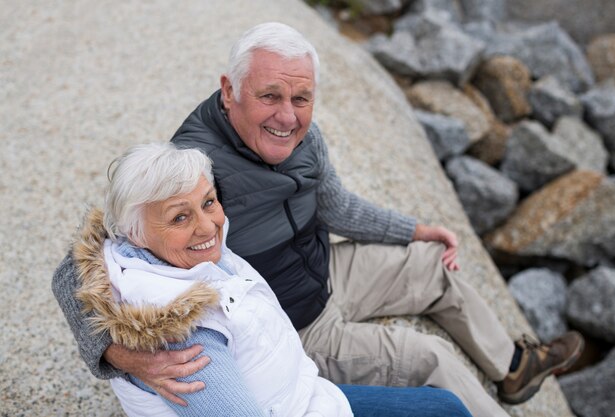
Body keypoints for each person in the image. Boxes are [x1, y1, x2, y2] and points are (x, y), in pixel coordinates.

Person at [52, 22, 583, 416]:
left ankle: (514, 369)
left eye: (301, 97)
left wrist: (415, 231)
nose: (288, 116)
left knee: (433, 266)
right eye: (270, 96)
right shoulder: (195, 165)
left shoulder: (300, 132)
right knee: (429, 356)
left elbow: (334, 205)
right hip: (297, 320)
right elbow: (75, 270)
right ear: (229, 90)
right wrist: (121, 355)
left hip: (326, 267)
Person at [71, 142, 472, 417]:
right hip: (295, 405)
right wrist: (114, 352)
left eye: (209, 202)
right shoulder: (179, 337)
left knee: (447, 408)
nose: (206, 225)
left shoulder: (159, 255)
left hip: (305, 395)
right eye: (179, 217)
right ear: (134, 234)